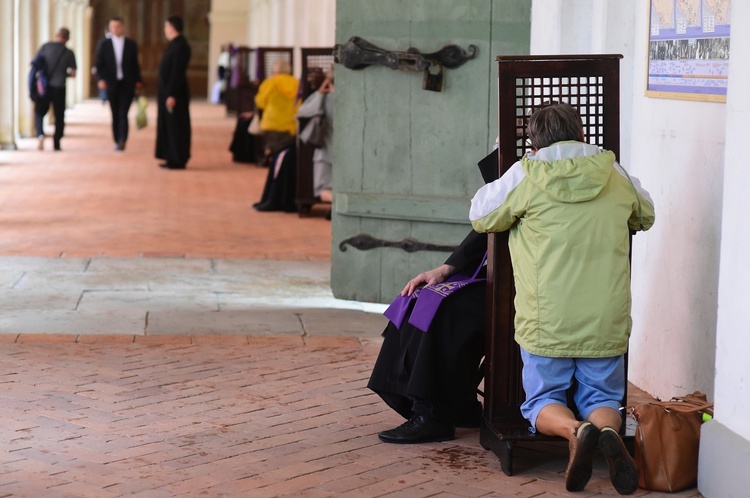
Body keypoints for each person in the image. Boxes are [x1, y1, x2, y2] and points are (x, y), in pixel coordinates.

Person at [469, 103, 655, 495]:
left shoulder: (527, 173)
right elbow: (645, 214)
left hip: (546, 316)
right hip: (605, 315)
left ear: (534, 141)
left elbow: (481, 214)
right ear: (582, 133)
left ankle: (576, 430)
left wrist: (517, 164)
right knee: (604, 396)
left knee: (541, 401)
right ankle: (604, 429)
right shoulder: (614, 171)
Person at [94, 16, 143, 151]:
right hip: (111, 84)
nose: (115, 29)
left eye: (118, 26)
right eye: (113, 27)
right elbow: (98, 64)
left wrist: (138, 82)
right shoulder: (104, 44)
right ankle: (116, 139)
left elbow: (135, 65)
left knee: (123, 113)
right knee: (115, 113)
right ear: (110, 28)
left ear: (123, 27)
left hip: (127, 83)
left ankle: (123, 139)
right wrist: (101, 79)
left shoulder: (131, 44)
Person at [155, 15, 192, 170]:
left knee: (177, 126)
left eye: (166, 26)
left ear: (172, 27)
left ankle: (178, 158)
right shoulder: (174, 44)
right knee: (169, 126)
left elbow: (177, 72)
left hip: (175, 92)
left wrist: (172, 94)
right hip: (167, 91)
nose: (165, 29)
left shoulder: (181, 46)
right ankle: (171, 156)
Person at [33, 27, 77, 152]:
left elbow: (36, 64)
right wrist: (63, 74)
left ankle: (40, 134)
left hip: (44, 87)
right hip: (59, 87)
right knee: (59, 115)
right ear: (67, 38)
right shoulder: (68, 53)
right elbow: (73, 73)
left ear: (56, 35)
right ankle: (56, 142)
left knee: (39, 112)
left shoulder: (45, 47)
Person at [296, 66, 334, 203]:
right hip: (350, 156)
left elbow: (302, 111)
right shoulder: (355, 100)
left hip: (325, 153)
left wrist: (319, 93)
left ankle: (340, 205)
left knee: (323, 190)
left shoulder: (325, 98)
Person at [253, 59, 299, 165]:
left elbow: (260, 102)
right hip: (290, 124)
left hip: (271, 122)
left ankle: (268, 153)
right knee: (284, 145)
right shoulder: (296, 83)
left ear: (275, 71)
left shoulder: (270, 82)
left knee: (271, 141)